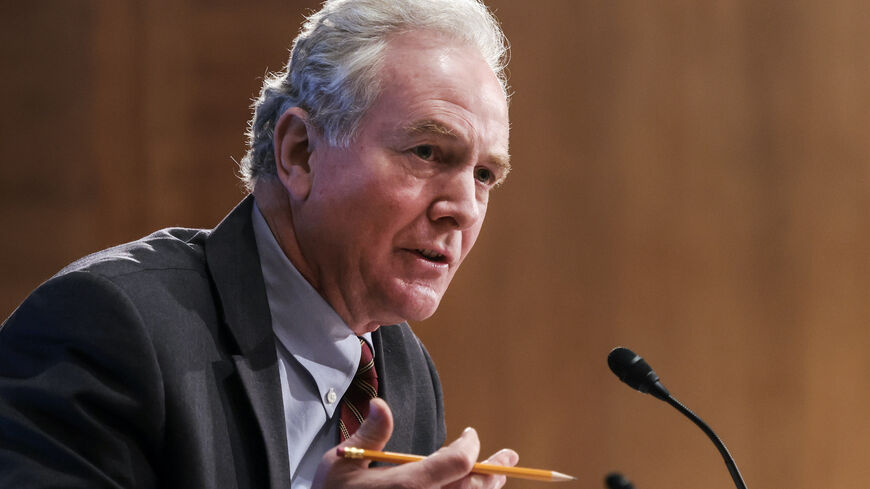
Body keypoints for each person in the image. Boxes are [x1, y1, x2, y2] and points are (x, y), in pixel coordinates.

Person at [0, 0, 515, 488]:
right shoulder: (108, 326)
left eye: (486, 175)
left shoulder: (405, 372)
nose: (465, 208)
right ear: (300, 153)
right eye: (427, 152)